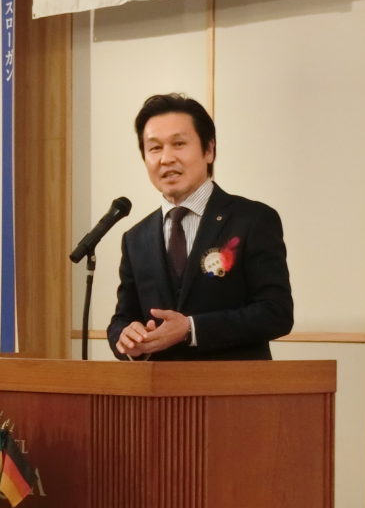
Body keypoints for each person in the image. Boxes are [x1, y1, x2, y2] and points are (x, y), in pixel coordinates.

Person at [107, 93, 293, 360]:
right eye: (155, 148)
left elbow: (276, 313)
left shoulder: (252, 219)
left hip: (234, 383)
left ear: (209, 150)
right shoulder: (136, 238)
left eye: (179, 144)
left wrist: (191, 329)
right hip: (159, 384)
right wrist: (126, 336)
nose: (166, 158)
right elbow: (123, 318)